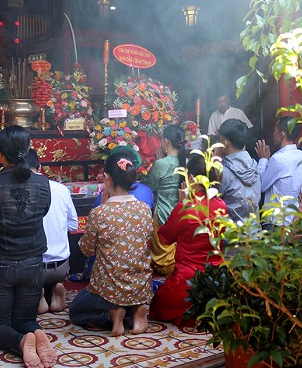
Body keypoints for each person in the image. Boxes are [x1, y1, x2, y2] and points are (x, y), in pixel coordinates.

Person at [0, 126, 56, 368]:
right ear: (28, 150)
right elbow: (42, 211)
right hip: (33, 263)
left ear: (0, 154)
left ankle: (22, 342)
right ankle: (36, 334)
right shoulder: (43, 185)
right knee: (25, 319)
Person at [68, 151, 153, 336]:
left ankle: (113, 313)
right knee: (128, 295)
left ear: (107, 178)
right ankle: (136, 312)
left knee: (75, 310)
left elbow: (86, 249)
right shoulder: (145, 209)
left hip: (109, 291)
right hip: (140, 288)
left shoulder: (100, 213)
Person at [150, 153, 227, 327]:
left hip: (186, 282)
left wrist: (181, 203)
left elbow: (165, 237)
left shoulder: (186, 207)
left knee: (156, 307)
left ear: (191, 178)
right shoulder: (221, 205)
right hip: (215, 280)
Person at [25, 149, 78, 315]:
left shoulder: (18, 190)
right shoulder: (61, 189)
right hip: (61, 265)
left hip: (33, 268)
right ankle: (55, 288)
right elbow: (73, 225)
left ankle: (37, 293)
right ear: (39, 167)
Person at [142, 124, 187, 276]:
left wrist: (159, 161)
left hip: (164, 214)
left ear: (166, 141)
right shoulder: (185, 161)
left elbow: (149, 187)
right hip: (183, 212)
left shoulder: (162, 164)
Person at [255, 116, 302, 227]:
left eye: (275, 131)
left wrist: (263, 159)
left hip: (275, 221)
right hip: (292, 219)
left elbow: (260, 186)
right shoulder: (301, 156)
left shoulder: (279, 159)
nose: (273, 134)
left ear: (282, 134)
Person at [217, 119, 261, 223]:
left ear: (225, 143)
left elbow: (212, 202)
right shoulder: (255, 166)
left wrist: (215, 167)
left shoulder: (224, 171)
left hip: (231, 234)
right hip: (254, 232)